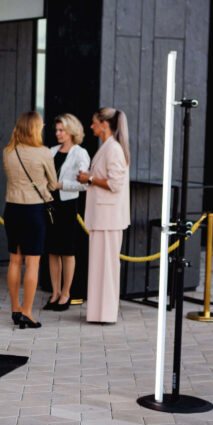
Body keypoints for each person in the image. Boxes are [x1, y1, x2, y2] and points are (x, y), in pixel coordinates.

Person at [3, 110, 58, 329]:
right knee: (32, 263)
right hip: (34, 210)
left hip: (12, 208)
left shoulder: (8, 151)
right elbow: (52, 183)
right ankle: (27, 312)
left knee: (14, 260)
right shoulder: (43, 152)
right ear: (35, 129)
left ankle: (15, 309)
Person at [76, 107, 131, 324]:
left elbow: (115, 184)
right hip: (103, 217)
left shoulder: (113, 149)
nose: (91, 127)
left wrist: (89, 179)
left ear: (104, 124)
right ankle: (98, 313)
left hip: (109, 218)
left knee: (107, 267)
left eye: (94, 123)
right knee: (100, 267)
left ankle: (106, 313)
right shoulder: (108, 147)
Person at [43, 113, 91, 311]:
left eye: (62, 130)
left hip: (68, 205)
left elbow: (84, 184)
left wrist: (61, 184)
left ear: (71, 131)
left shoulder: (80, 153)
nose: (58, 133)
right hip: (50, 204)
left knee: (67, 251)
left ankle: (66, 293)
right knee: (53, 251)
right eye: (56, 130)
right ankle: (55, 293)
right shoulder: (51, 151)